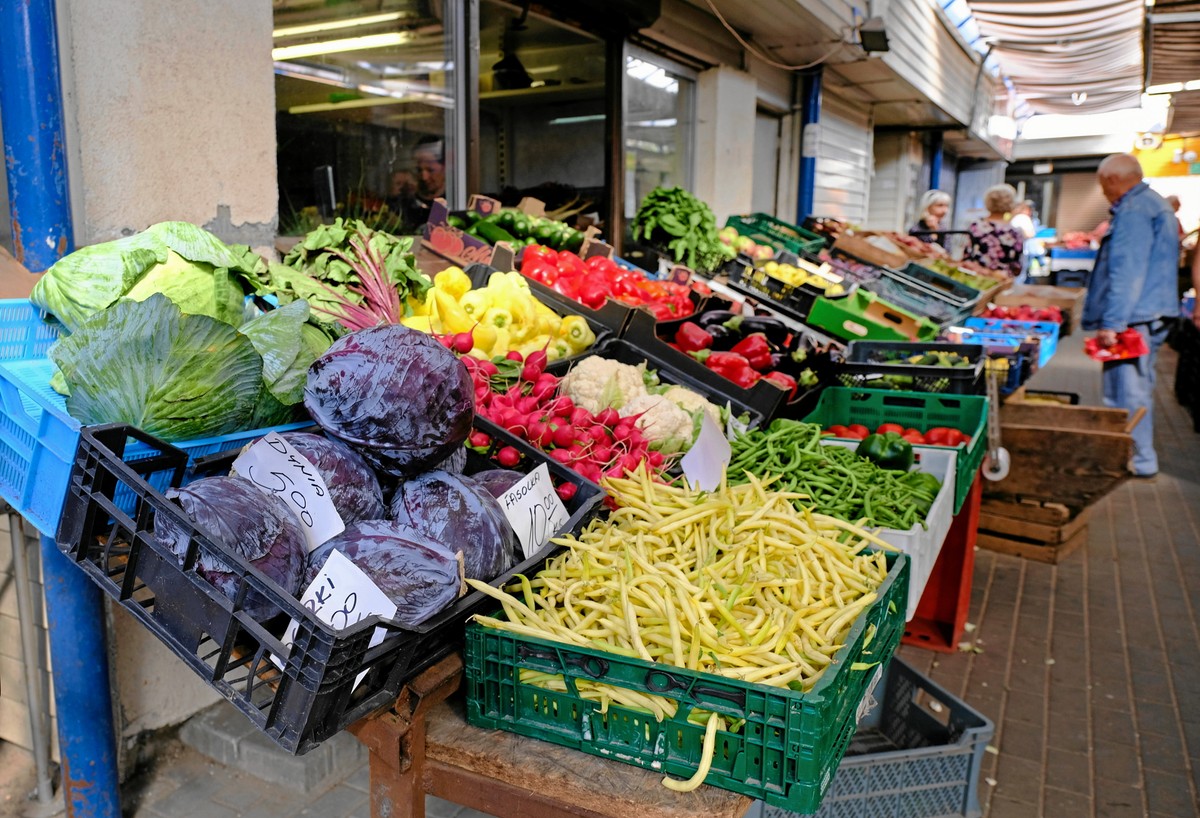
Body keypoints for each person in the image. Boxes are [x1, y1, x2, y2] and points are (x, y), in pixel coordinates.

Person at [1083, 153, 1180, 478]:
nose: (1104, 193)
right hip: (1150, 312)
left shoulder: (1135, 210)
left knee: (1126, 392)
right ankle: (1136, 454)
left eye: (1103, 186)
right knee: (1137, 387)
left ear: (1112, 180)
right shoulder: (1154, 204)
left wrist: (1113, 322)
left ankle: (1137, 458)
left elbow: (1127, 272)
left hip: (1134, 318)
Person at [962, 184, 1025, 278]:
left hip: (976, 278)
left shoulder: (976, 226)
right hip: (1002, 280)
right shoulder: (1015, 232)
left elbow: (966, 255)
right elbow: (1017, 266)